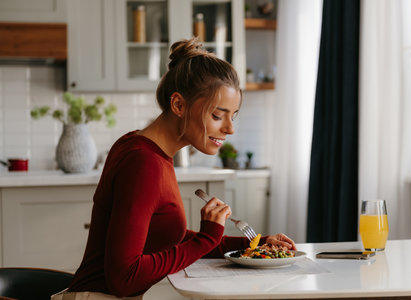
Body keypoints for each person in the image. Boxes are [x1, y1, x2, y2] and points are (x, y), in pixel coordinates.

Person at [53, 38, 296, 299]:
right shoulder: (143, 163)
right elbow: (123, 279)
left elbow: (166, 237)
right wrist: (205, 239)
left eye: (232, 116)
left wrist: (255, 245)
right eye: (217, 115)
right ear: (179, 105)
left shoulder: (142, 148)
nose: (230, 129)